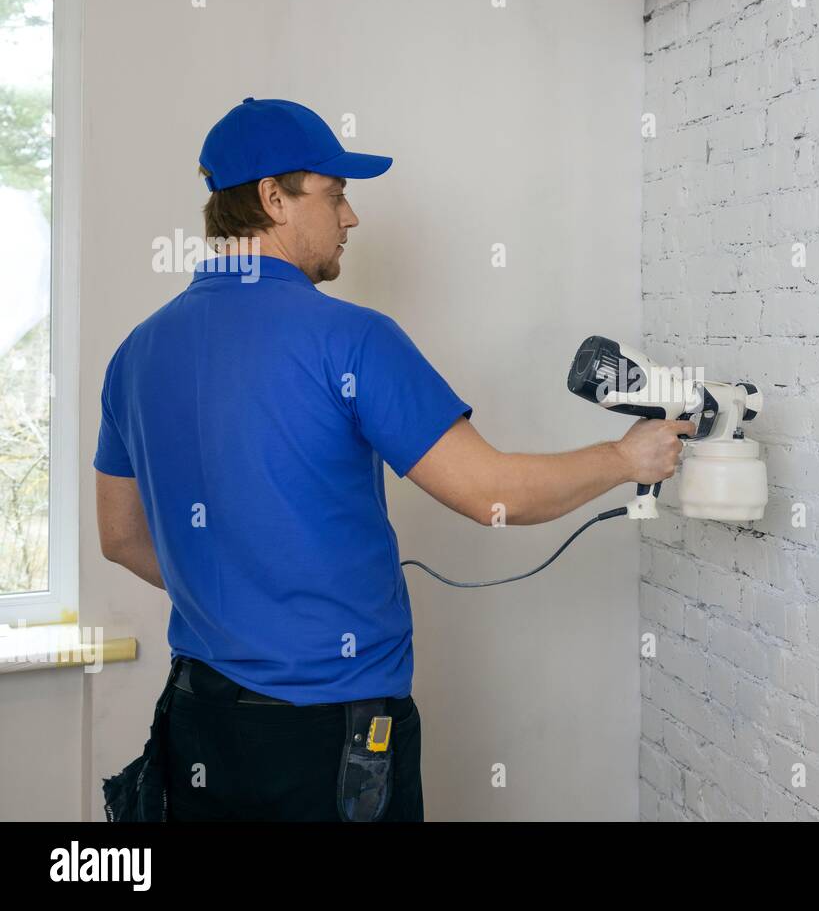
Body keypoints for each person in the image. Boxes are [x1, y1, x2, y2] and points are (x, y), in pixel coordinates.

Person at [93, 97, 692, 821]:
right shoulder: (350, 339)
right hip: (332, 728)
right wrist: (627, 456)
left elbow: (121, 538)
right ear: (272, 199)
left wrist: (244, 596)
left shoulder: (137, 351)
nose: (351, 218)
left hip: (200, 719)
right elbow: (489, 492)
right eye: (336, 194)